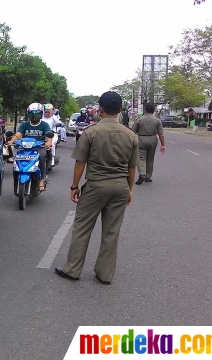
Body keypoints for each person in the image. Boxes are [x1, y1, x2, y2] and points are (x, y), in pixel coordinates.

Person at [54, 91, 138, 285]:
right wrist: (129, 190)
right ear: (119, 110)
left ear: (99, 109)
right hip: (120, 187)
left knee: (82, 227)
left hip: (95, 186)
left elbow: (80, 163)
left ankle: (72, 270)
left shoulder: (91, 132)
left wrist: (74, 186)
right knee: (111, 231)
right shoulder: (131, 135)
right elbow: (131, 168)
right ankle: (105, 274)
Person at [8, 103, 53, 192]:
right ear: (28, 114)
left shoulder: (44, 125)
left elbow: (49, 136)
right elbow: (18, 135)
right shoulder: (24, 125)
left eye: (36, 113)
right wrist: (11, 141)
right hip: (25, 148)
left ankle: (41, 179)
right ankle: (17, 175)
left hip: (39, 147)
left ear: (41, 114)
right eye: (32, 113)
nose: (34, 116)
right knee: (17, 158)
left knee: (41, 157)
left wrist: (48, 142)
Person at [131, 103, 166, 184]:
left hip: (141, 139)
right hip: (153, 139)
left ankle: (142, 174)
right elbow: (161, 134)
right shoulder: (157, 120)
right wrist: (163, 144)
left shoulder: (139, 120)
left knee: (140, 158)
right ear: (153, 111)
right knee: (150, 158)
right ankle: (148, 176)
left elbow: (133, 132)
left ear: (145, 110)